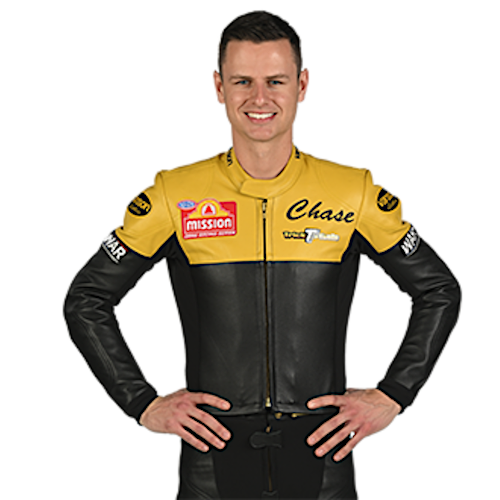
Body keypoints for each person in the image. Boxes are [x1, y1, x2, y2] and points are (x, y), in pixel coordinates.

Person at [62, 9, 462, 499]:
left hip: (323, 458)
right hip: (211, 463)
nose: (259, 99)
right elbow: (86, 298)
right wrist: (141, 402)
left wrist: (393, 395)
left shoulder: (352, 192)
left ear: (302, 84)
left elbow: (438, 289)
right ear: (218, 87)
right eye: (242, 81)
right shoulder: (174, 194)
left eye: (275, 81)